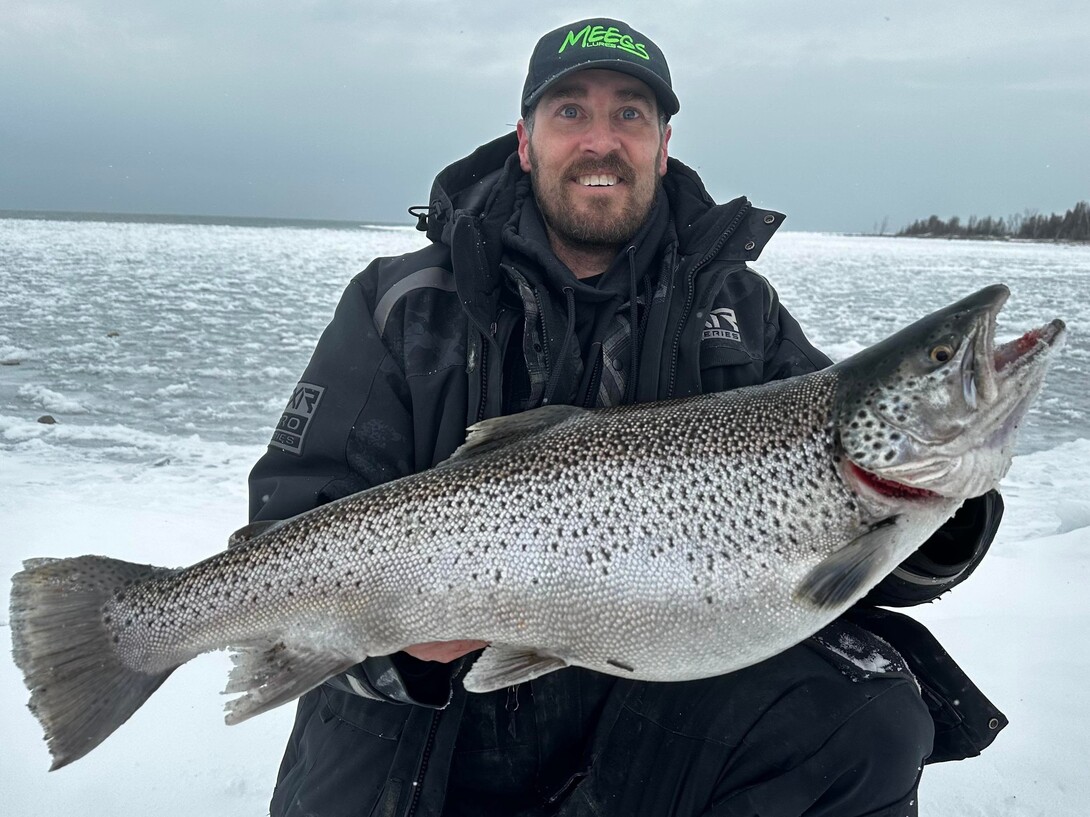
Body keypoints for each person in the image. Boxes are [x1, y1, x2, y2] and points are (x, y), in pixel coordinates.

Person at [249, 18, 1006, 817]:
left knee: (867, 720)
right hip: (422, 750)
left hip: (644, 730)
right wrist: (406, 650)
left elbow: (850, 555)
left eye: (631, 114)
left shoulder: (738, 313)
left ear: (663, 143)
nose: (601, 141)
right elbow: (292, 524)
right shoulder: (404, 304)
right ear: (524, 140)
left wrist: (946, 499)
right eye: (570, 111)